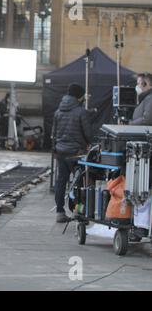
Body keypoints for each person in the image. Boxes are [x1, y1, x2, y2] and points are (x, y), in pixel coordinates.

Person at [52, 84, 93, 223]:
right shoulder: (81, 112)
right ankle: (78, 211)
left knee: (61, 182)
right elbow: (88, 134)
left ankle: (59, 212)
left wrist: (55, 149)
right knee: (80, 183)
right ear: (79, 96)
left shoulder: (58, 111)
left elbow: (53, 134)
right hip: (77, 153)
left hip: (61, 152)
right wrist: (90, 143)